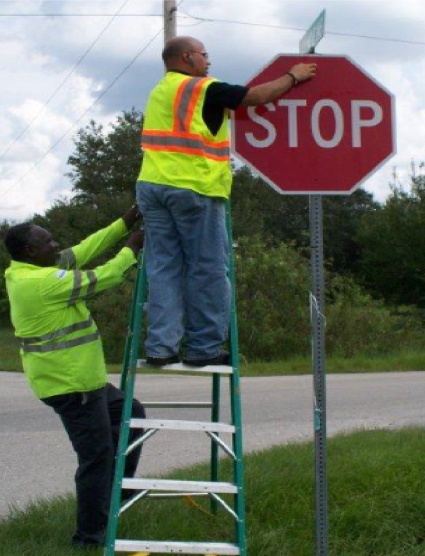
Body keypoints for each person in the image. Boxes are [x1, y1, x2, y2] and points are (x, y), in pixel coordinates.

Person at [136, 36, 317, 368]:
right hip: (194, 187)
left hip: (152, 186)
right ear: (187, 57)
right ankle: (202, 348)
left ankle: (160, 347)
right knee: (208, 268)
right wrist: (294, 76)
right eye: (205, 55)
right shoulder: (203, 88)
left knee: (163, 269)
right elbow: (256, 97)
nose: (208, 61)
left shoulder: (161, 90)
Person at [3, 206, 146, 551]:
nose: (56, 245)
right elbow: (105, 276)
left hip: (85, 381)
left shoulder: (36, 267)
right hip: (72, 386)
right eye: (47, 241)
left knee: (132, 416)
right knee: (96, 458)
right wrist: (133, 246)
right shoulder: (40, 282)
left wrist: (126, 220)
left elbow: (85, 249)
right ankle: (89, 539)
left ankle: (115, 496)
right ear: (29, 251)